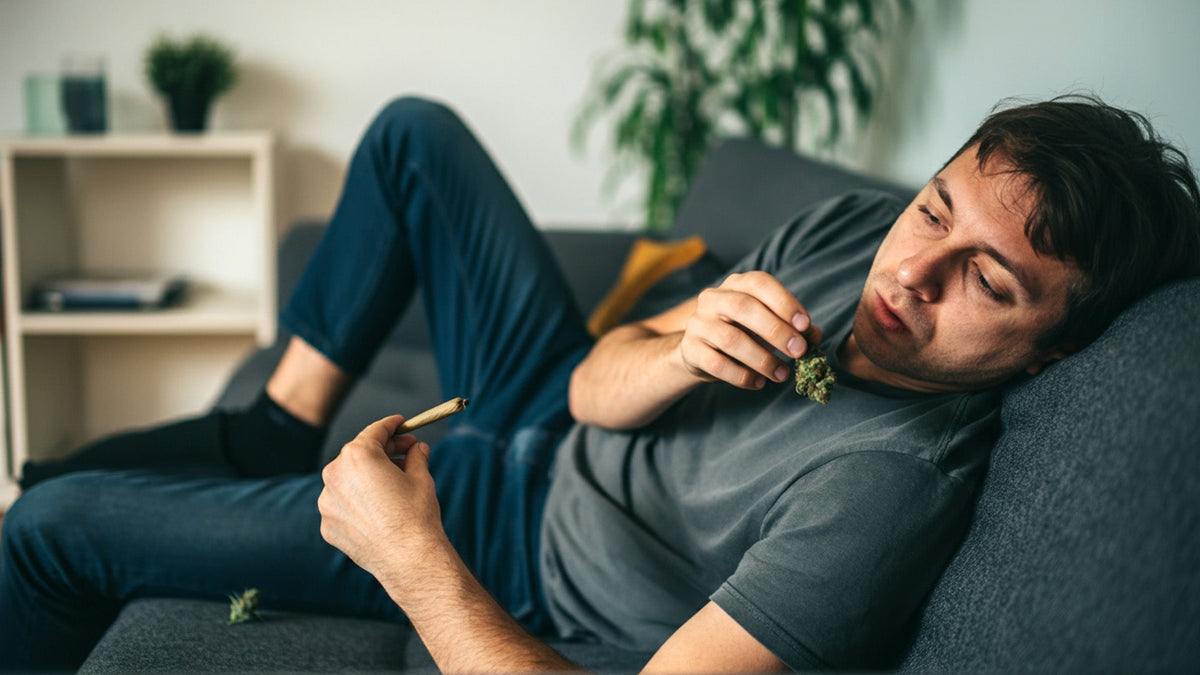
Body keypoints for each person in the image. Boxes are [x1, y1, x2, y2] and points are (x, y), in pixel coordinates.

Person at [2, 93, 1198, 672]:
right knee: (416, 137)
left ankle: (260, 446)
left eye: (985, 281)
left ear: (1052, 350)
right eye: (934, 206)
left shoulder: (887, 492)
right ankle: (277, 421)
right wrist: (676, 347)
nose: (913, 272)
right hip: (554, 424)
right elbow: (587, 386)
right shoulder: (854, 232)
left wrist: (411, 554)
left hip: (518, 544)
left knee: (48, 530)